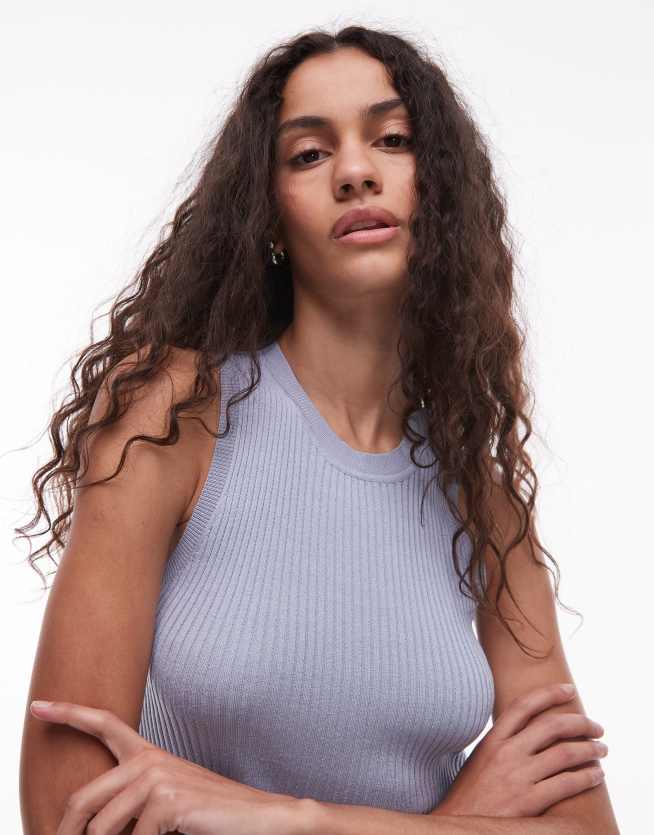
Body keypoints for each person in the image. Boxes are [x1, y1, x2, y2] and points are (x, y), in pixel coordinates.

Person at [18, 25, 620, 835]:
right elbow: (64, 809)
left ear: (439, 187)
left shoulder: (484, 502)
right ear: (269, 215)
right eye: (308, 154)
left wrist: (300, 819)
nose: (356, 172)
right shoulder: (171, 413)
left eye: (393, 140)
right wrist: (462, 818)